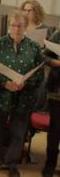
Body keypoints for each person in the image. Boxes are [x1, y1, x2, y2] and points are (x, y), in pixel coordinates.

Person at [0, 11, 44, 177]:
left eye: (20, 26)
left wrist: (25, 83)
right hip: (0, 94)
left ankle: (12, 163)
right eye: (13, 25)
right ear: (9, 26)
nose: (16, 29)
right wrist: (5, 83)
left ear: (25, 28)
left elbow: (39, 75)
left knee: (18, 132)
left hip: (24, 96)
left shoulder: (34, 47)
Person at [42, 29, 60, 177]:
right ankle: (50, 164)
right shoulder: (58, 35)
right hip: (56, 90)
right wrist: (56, 62)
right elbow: (44, 56)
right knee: (55, 129)